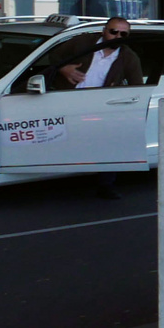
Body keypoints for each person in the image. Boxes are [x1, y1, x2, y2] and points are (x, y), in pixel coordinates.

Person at [46, 17, 143, 199]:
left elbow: (137, 87)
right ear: (104, 31)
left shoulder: (128, 57)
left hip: (100, 106)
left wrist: (119, 93)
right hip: (67, 100)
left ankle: (106, 185)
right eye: (113, 32)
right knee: (57, 137)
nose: (118, 36)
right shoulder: (82, 43)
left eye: (123, 34)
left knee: (108, 142)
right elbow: (53, 55)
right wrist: (63, 69)